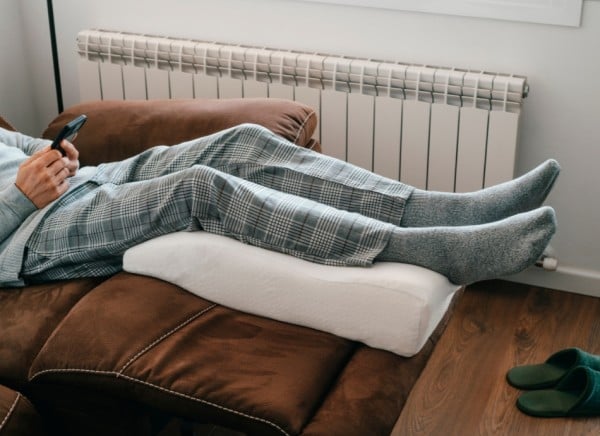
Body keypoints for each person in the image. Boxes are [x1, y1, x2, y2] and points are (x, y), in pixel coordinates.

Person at [0, 123, 558, 287]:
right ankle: (426, 250)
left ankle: (446, 210)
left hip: (85, 180)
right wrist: (21, 194)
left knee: (243, 140)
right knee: (200, 187)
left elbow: (20, 146)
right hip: (31, 233)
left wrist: (55, 155)